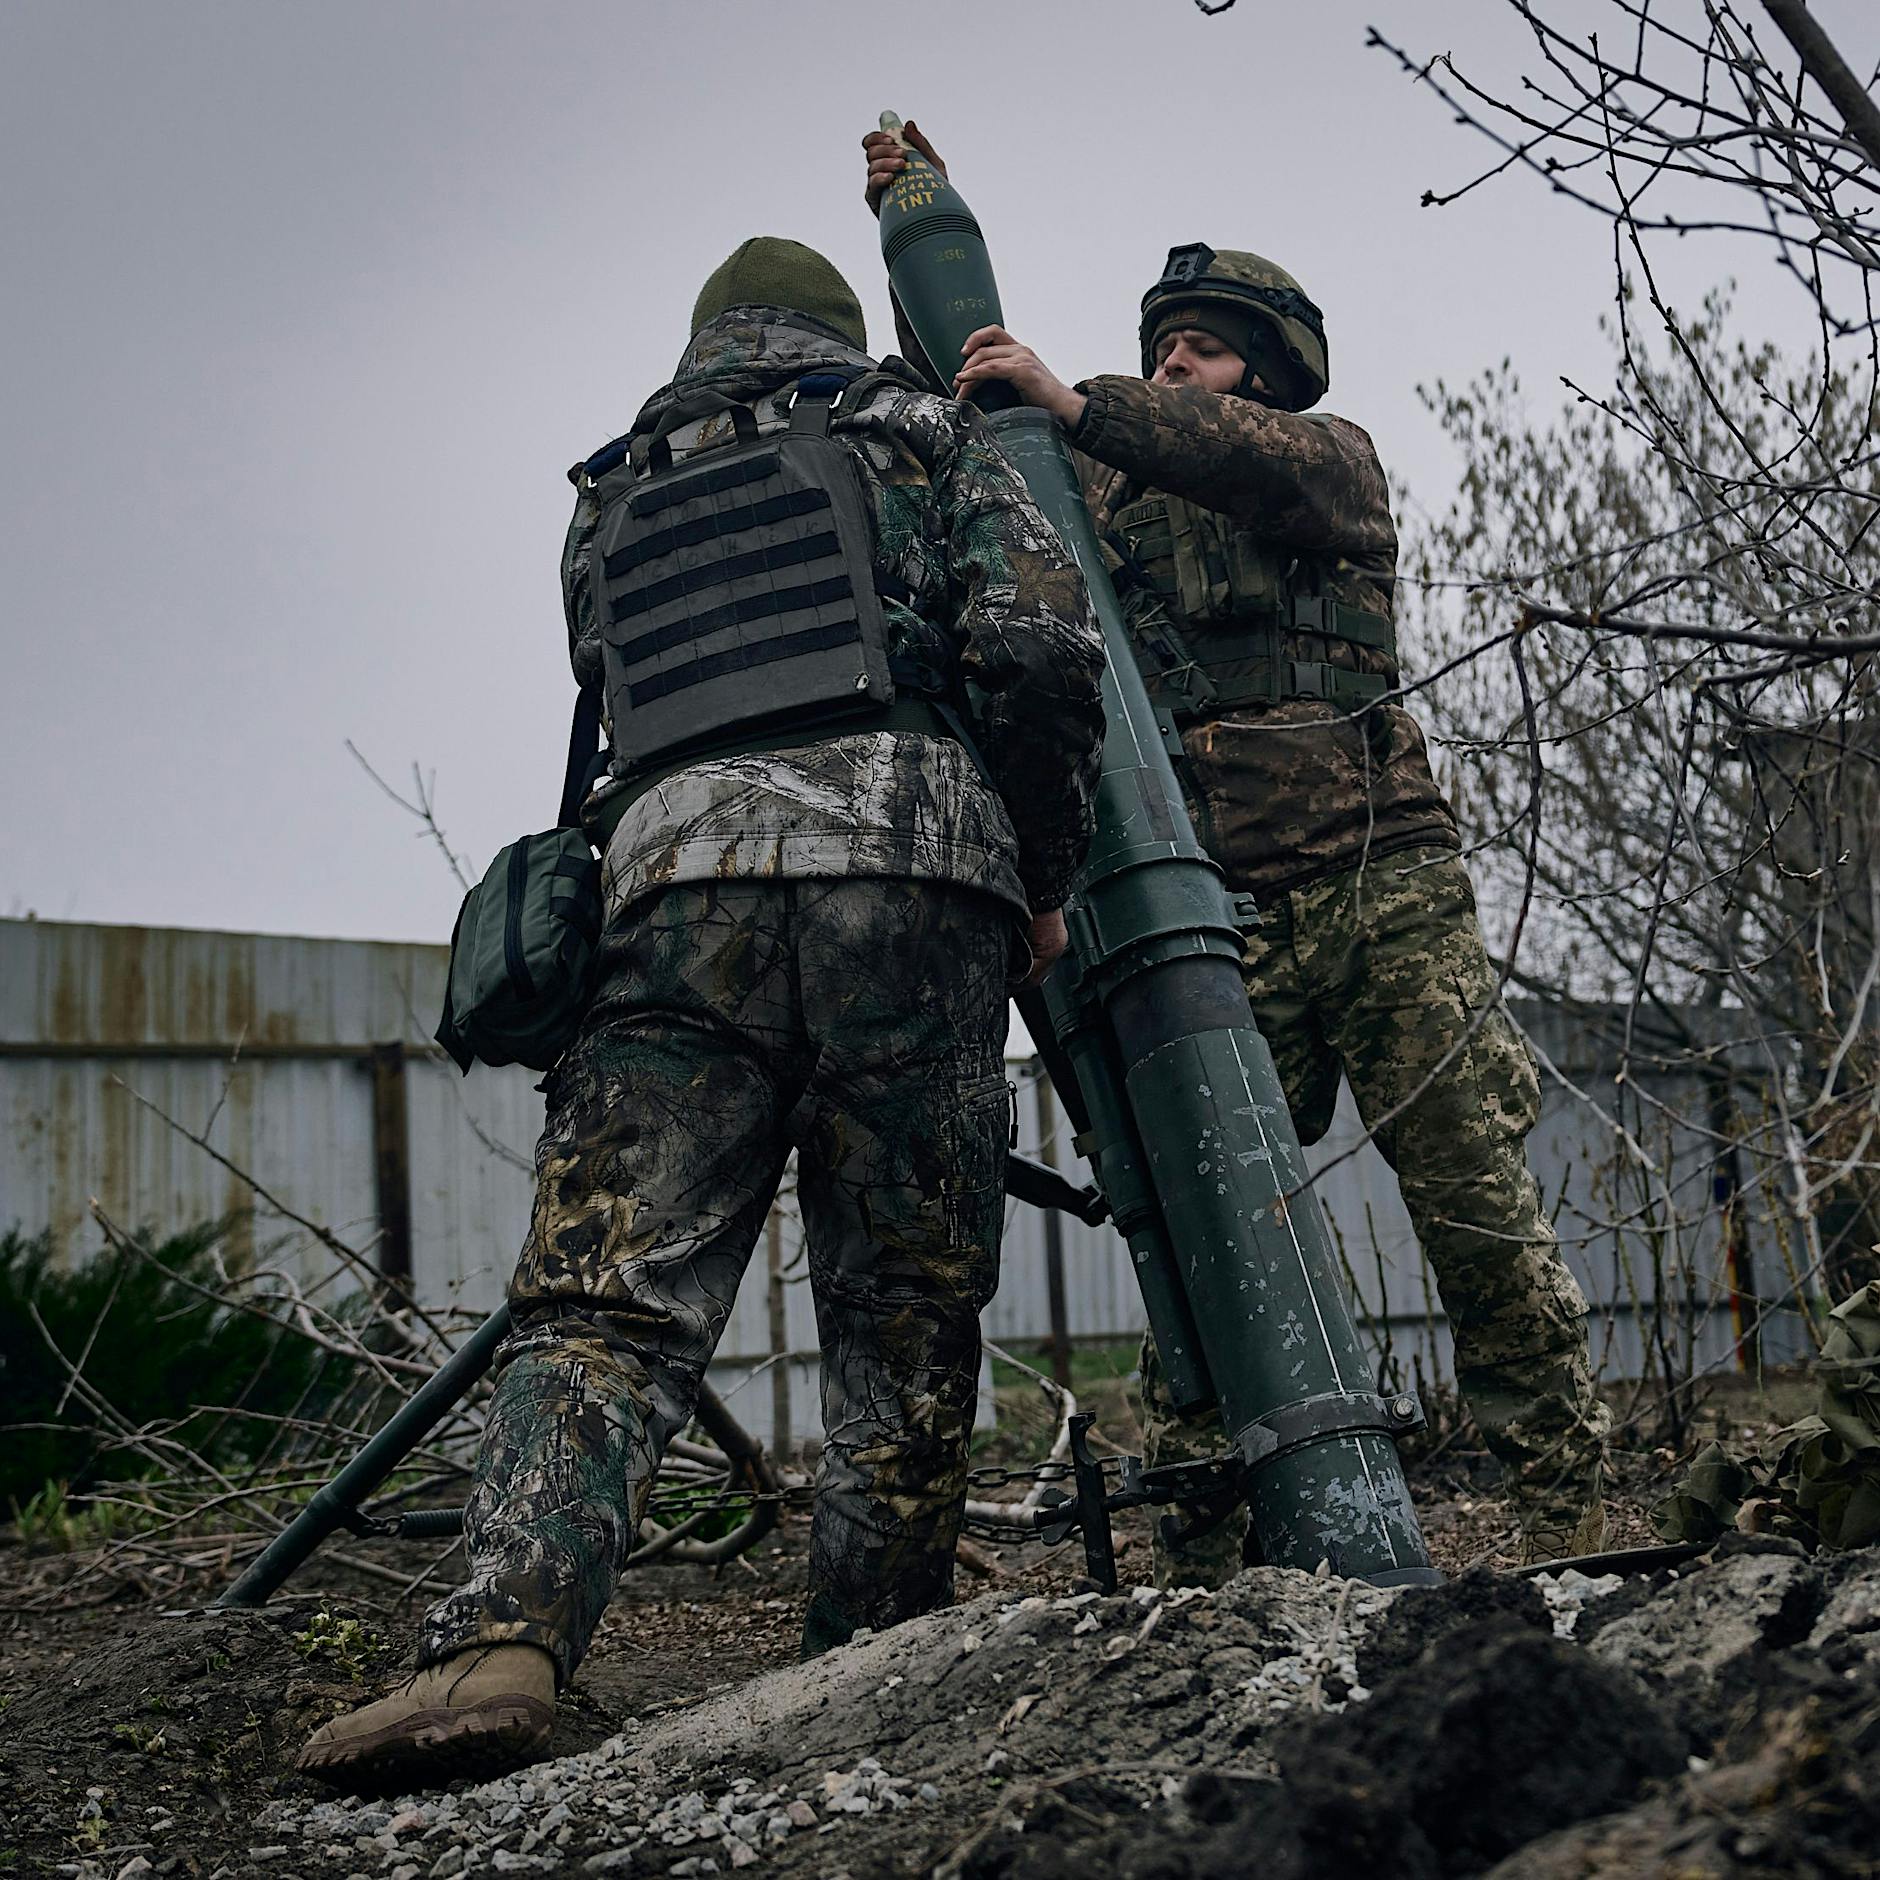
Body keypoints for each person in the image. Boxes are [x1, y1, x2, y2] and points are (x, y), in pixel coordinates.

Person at [298, 235, 1106, 1787]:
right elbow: (1038, 648)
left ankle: (500, 1643)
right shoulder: (921, 430)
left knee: (606, 1296)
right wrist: (1044, 872)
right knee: (906, 1297)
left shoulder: (610, 489)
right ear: (838, 331)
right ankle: (867, 1656)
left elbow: (615, 683)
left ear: (704, 343)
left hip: (672, 892)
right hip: (916, 872)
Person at [863, 125, 1610, 1574]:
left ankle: (1564, 1499)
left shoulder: (1325, 466)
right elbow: (988, 447)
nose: (1174, 371)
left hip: (1382, 888)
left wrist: (1081, 402)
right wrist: (922, 255)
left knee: (1472, 1202)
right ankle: (1218, 1519)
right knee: (1214, 1213)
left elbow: (1216, 452)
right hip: (1229, 917)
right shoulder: (1108, 490)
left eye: (1200, 351)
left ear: (1261, 370)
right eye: (1168, 349)